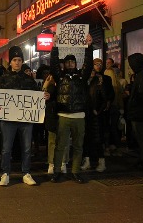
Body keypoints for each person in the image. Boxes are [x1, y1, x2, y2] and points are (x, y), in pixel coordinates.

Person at [0, 46, 49, 186]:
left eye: (19, 60)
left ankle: (26, 173)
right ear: (10, 62)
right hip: (8, 120)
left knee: (27, 147)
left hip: (25, 120)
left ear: (22, 62)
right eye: (15, 60)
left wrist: (44, 96)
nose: (17, 62)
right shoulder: (2, 79)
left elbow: (37, 95)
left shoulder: (28, 79)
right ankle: (5, 173)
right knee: (6, 148)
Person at [49, 34, 94, 184]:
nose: (70, 64)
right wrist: (54, 47)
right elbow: (53, 64)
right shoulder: (60, 77)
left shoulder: (82, 76)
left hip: (79, 116)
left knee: (78, 146)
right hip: (63, 115)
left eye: (72, 62)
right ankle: (56, 171)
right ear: (65, 64)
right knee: (60, 146)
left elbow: (89, 64)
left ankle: (75, 171)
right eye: (67, 62)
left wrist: (89, 46)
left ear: (76, 63)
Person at [127, 53, 143, 170]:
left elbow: (142, 94)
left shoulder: (142, 75)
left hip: (139, 112)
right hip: (139, 111)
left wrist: (133, 100)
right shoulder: (140, 74)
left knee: (141, 137)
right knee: (140, 137)